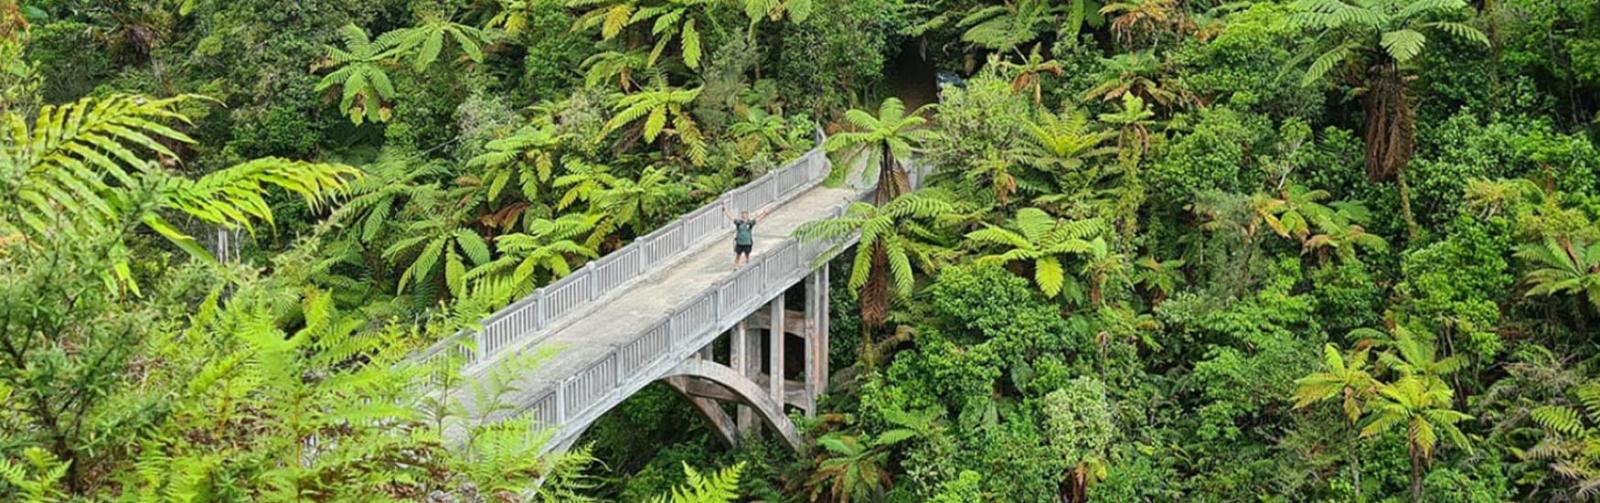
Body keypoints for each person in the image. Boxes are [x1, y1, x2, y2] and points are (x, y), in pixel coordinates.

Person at [722, 203, 770, 268]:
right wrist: (725, 211)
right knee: (738, 255)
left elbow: (758, 219)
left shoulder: (750, 223)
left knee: (747, 254)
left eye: (745, 214)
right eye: (743, 214)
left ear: (747, 215)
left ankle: (747, 263)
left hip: (747, 242)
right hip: (739, 242)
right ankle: (736, 266)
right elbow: (731, 217)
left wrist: (765, 213)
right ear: (741, 215)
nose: (744, 215)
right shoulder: (738, 222)